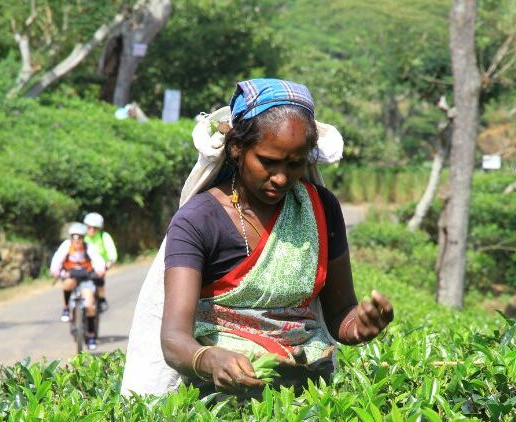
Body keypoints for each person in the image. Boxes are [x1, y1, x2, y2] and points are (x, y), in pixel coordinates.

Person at [121, 78, 393, 396]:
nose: (280, 177)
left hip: (308, 394)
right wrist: (207, 358)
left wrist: (358, 326)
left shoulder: (321, 208)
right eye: (268, 162)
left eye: (294, 164)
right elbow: (174, 339)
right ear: (237, 149)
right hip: (219, 399)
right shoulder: (198, 220)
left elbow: (339, 314)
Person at [50, 222, 106, 350]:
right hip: (71, 276)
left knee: (89, 305)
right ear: (70, 237)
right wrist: (56, 272)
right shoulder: (66, 246)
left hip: (86, 278)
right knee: (67, 283)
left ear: (83, 237)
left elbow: (97, 260)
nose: (77, 240)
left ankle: (91, 335)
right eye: (74, 237)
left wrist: (100, 271)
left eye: (80, 237)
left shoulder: (88, 247)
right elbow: (57, 259)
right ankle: (66, 309)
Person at [83, 212, 117, 312]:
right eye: (89, 227)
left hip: (100, 267)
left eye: (95, 228)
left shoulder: (104, 236)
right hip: (84, 266)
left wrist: (109, 263)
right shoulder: (82, 237)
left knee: (99, 279)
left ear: (99, 228)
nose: (91, 230)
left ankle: (101, 299)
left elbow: (112, 252)